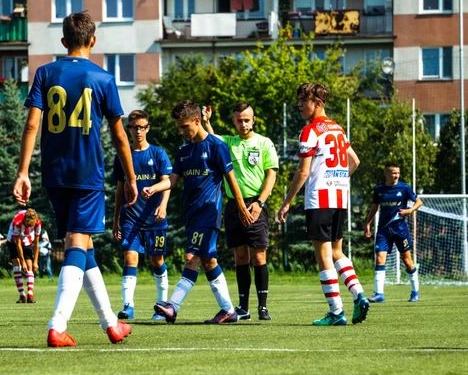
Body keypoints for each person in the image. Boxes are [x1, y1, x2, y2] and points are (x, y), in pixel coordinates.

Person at [13, 12, 138, 347]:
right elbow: (120, 137)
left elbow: (31, 126)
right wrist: (130, 177)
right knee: (76, 242)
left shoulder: (45, 73)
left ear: (64, 41)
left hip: (54, 174)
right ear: (93, 41)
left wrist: (23, 171)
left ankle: (111, 323)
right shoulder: (103, 78)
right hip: (87, 175)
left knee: (85, 246)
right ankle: (57, 325)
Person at [142, 99, 254, 324]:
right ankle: (228, 310)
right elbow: (172, 180)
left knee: (191, 257)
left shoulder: (216, 146)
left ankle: (172, 306)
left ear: (197, 120)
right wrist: (154, 187)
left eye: (185, 126)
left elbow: (231, 179)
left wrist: (241, 207)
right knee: (208, 261)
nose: (182, 131)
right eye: (179, 127)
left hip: (209, 213)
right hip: (191, 214)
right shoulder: (183, 151)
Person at [277, 82, 370, 326]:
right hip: (340, 198)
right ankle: (359, 294)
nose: (298, 104)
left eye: (303, 100)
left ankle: (336, 311)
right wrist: (338, 179)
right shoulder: (338, 129)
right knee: (337, 251)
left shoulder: (310, 131)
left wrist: (286, 202)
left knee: (323, 255)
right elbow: (355, 161)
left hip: (319, 199)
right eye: (298, 99)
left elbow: (303, 171)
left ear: (318, 103)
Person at [202, 102, 278, 321]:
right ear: (233, 121)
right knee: (241, 256)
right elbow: (210, 139)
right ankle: (243, 307)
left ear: (253, 120)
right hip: (234, 205)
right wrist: (206, 121)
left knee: (259, 255)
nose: (243, 124)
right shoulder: (229, 142)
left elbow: (271, 175)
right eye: (239, 120)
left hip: (256, 204)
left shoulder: (264, 143)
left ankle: (262, 307)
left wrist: (260, 203)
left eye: (247, 120)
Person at [112, 110, 172, 321]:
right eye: (133, 127)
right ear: (128, 129)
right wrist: (116, 219)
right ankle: (128, 306)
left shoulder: (158, 154)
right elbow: (119, 190)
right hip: (131, 219)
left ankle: (162, 306)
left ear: (148, 128)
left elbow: (168, 182)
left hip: (155, 219)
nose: (137, 131)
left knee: (157, 260)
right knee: (130, 256)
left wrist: (162, 203)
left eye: (141, 127)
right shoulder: (122, 155)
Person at [364, 162, 423, 302]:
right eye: (393, 173)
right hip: (383, 230)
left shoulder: (404, 187)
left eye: (397, 173)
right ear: (386, 174)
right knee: (379, 258)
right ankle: (379, 294)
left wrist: (409, 211)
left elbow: (419, 202)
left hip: (400, 230)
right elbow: (374, 207)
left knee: (407, 261)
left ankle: (415, 291)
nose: (396, 175)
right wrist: (368, 223)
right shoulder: (379, 189)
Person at [6, 208, 41, 303]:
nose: (29, 227)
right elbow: (17, 244)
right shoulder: (17, 222)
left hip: (27, 240)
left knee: (30, 266)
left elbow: (37, 244)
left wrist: (35, 262)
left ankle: (30, 294)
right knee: (17, 265)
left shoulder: (38, 223)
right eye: (27, 225)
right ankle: (22, 295)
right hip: (13, 240)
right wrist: (22, 262)